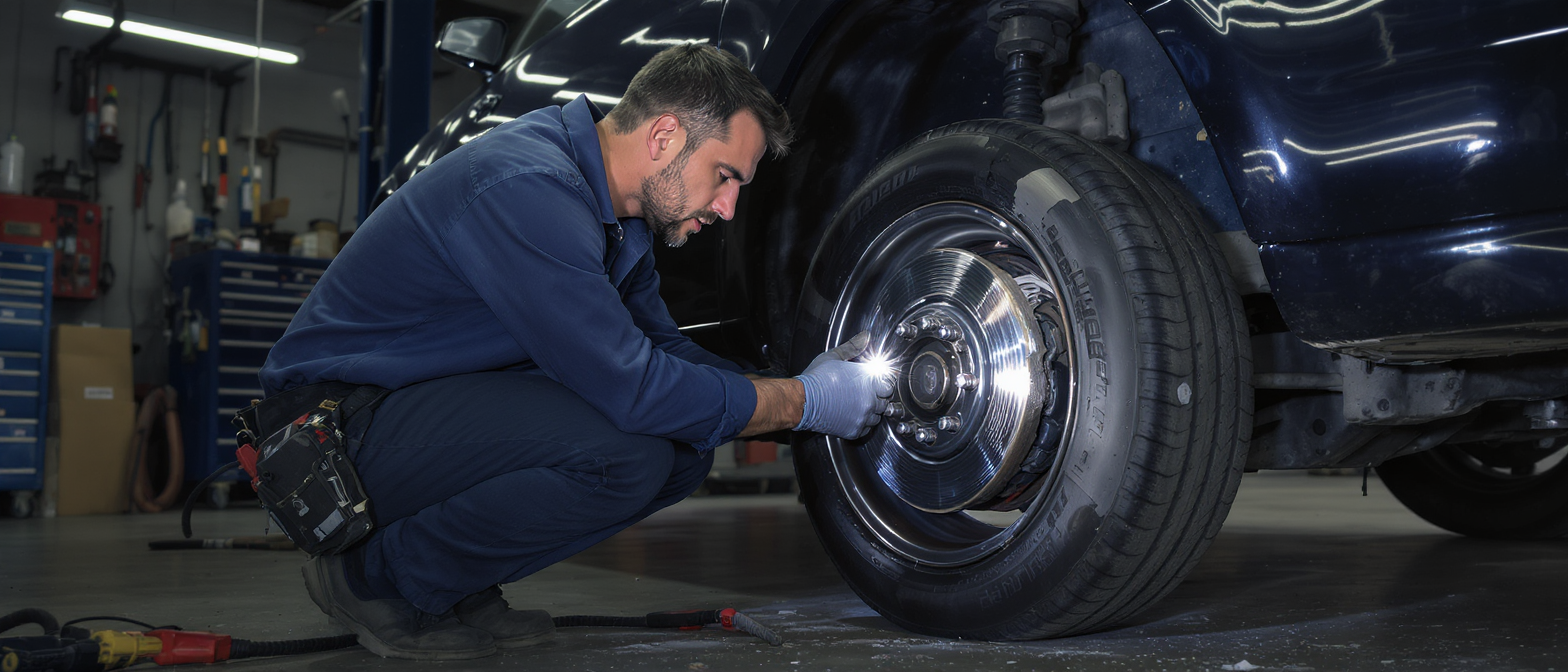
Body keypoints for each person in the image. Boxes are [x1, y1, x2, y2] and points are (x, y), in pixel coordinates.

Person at [257, 44, 893, 660]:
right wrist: (802, 403)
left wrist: (797, 388)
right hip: (334, 437)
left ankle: (445, 581)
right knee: (625, 456)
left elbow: (660, 350)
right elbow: (635, 386)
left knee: (682, 451)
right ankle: (374, 578)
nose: (728, 207)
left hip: (414, 410)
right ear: (665, 136)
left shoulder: (620, 220)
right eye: (725, 176)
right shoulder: (528, 186)